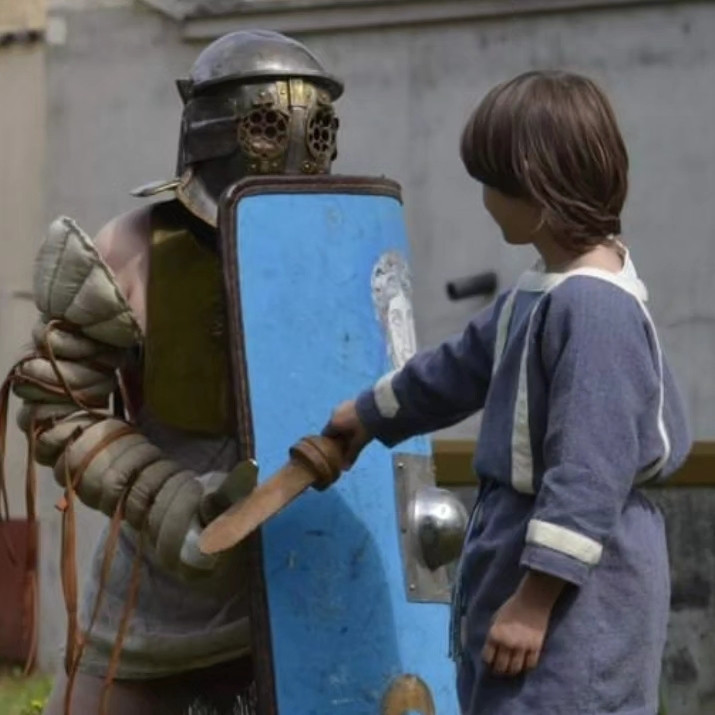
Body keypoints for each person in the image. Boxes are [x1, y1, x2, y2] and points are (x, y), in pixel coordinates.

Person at [323, 71, 691, 714]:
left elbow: (588, 474)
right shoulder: (543, 290)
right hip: (520, 555)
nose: (486, 200)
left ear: (538, 193)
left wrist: (535, 600)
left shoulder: (595, 311)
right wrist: (368, 415)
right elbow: (460, 367)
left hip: (581, 590)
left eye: (492, 184)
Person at [10, 29, 342, 715]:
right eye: (264, 122)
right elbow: (56, 405)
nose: (285, 141)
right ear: (218, 129)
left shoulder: (341, 237)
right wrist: (171, 503)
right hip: (168, 580)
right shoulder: (129, 250)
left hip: (309, 568)